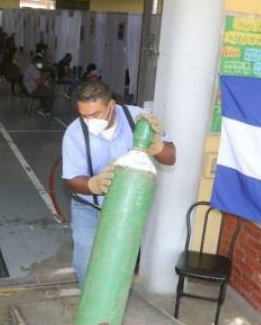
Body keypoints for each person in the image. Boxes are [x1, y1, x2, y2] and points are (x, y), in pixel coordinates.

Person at [62, 81, 176, 285]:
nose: (89, 121)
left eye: (95, 114)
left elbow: (171, 157)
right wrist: (92, 185)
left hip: (126, 209)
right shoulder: (74, 133)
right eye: (84, 116)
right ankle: (91, 315)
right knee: (85, 265)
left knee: (119, 266)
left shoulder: (137, 119)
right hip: (88, 208)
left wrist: (157, 145)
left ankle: (108, 315)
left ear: (111, 106)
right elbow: (71, 179)